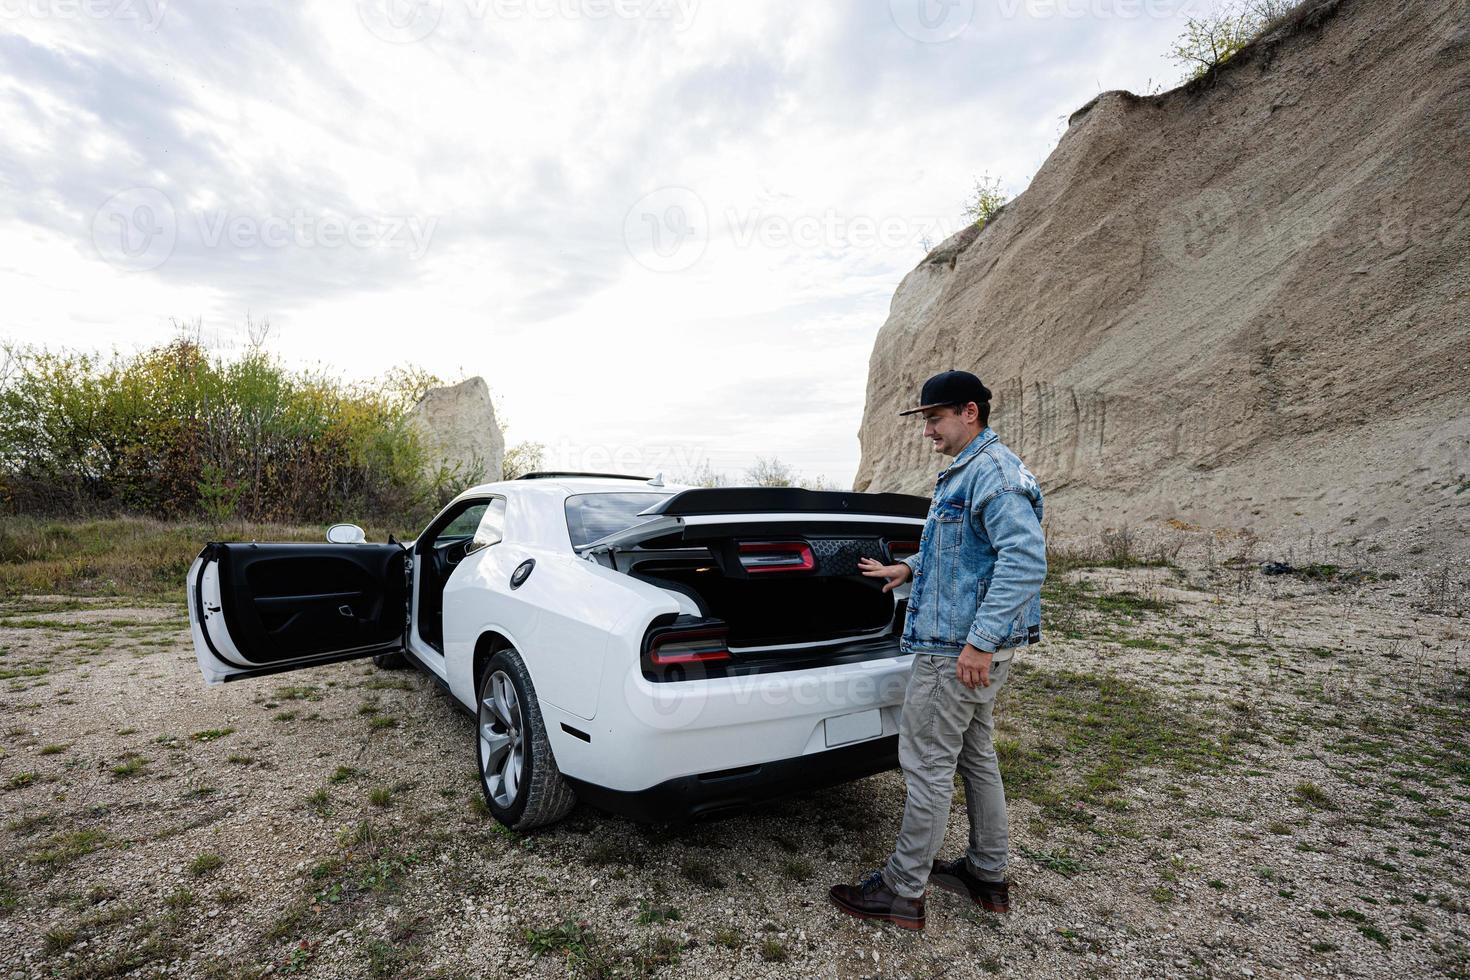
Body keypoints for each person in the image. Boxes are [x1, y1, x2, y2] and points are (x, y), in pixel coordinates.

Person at [829, 370, 1046, 931]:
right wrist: (908, 567)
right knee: (976, 756)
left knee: (926, 766)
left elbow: (1024, 562)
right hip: (970, 651)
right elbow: (966, 554)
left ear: (969, 412)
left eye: (933, 418)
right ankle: (986, 873)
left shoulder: (992, 475)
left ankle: (902, 892)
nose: (927, 430)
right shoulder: (977, 470)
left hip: (957, 653)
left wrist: (979, 643)